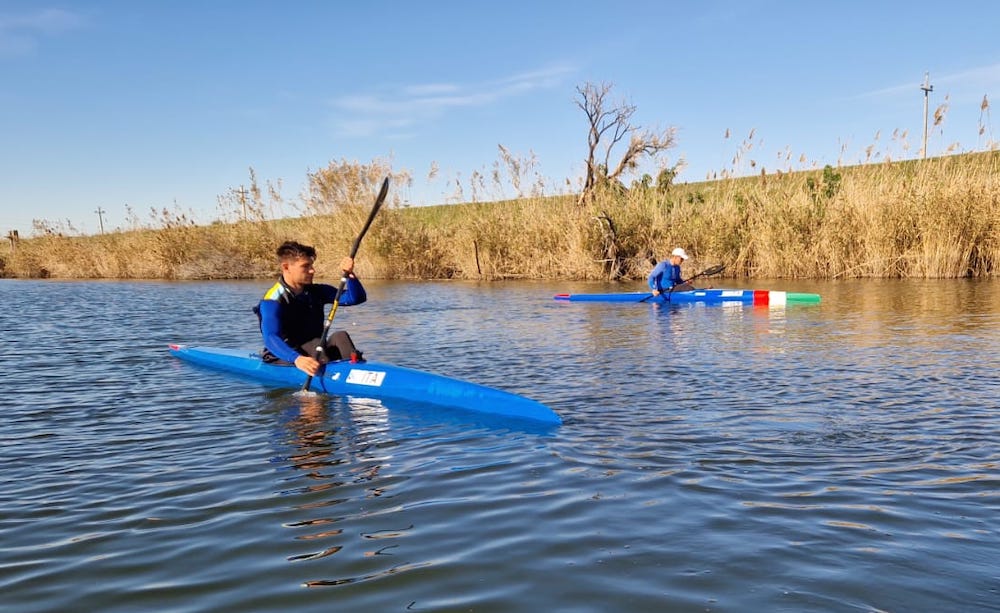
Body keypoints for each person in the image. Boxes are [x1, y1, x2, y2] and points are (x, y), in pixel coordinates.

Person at [255, 240, 367, 376]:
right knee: (314, 344)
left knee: (340, 336)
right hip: (284, 356)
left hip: (317, 351)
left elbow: (355, 298)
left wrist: (350, 275)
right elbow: (271, 337)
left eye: (312, 265)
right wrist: (297, 359)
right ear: (286, 267)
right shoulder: (272, 299)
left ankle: (357, 373)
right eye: (305, 266)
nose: (312, 270)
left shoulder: (317, 291)